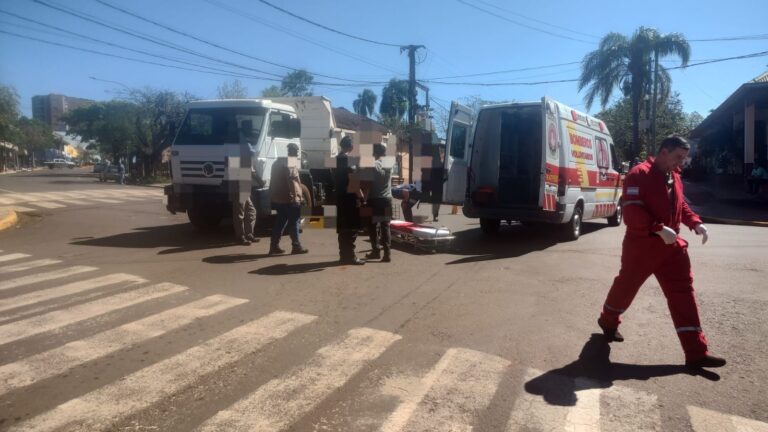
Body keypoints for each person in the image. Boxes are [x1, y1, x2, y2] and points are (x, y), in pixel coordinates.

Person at [597, 135, 726, 370]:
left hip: (672, 248)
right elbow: (632, 211)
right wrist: (657, 229)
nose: (681, 163)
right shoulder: (638, 174)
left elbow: (681, 206)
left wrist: (695, 222)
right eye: (678, 157)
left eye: (684, 158)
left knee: (684, 295)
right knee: (625, 287)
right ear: (664, 152)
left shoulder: (674, 176)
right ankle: (608, 321)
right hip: (642, 247)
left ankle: (696, 352)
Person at [269, 143, 308, 255]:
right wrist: (296, 197)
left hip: (278, 198)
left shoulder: (276, 163)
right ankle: (296, 246)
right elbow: (291, 181)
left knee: (280, 221)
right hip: (289, 199)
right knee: (294, 222)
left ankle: (274, 246)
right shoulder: (291, 163)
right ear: (295, 153)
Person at [336, 136, 365, 265]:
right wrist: (361, 196)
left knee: (342, 229)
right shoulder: (350, 161)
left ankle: (343, 255)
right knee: (352, 228)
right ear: (352, 147)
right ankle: (351, 256)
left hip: (340, 198)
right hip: (350, 199)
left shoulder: (336, 160)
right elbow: (354, 182)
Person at [363, 143, 393, 262]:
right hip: (387, 199)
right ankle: (387, 254)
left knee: (372, 226)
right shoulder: (389, 164)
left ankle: (376, 251)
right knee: (386, 226)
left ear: (374, 153)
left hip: (374, 199)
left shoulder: (373, 165)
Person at [231, 142, 257, 246]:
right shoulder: (235, 160)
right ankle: (240, 236)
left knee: (251, 211)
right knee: (239, 214)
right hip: (239, 189)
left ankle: (249, 233)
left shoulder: (246, 160)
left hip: (245, 189)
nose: (251, 154)